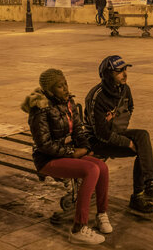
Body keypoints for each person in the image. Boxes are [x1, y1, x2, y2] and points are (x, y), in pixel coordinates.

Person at [22, 69, 111, 246]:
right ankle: (78, 229)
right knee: (91, 170)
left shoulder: (68, 102)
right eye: (59, 86)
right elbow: (44, 145)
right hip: (47, 159)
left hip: (68, 152)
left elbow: (78, 130)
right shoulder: (40, 109)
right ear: (49, 90)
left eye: (65, 84)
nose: (65, 88)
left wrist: (85, 148)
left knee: (102, 167)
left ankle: (101, 214)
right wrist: (72, 153)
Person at [84, 55, 153, 216]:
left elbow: (130, 107)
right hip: (96, 141)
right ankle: (139, 195)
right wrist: (126, 142)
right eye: (119, 72)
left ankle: (148, 186)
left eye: (125, 70)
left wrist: (119, 126)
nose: (124, 74)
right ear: (108, 75)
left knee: (142, 136)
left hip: (115, 134)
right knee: (139, 148)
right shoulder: (97, 97)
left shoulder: (125, 89)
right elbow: (100, 134)